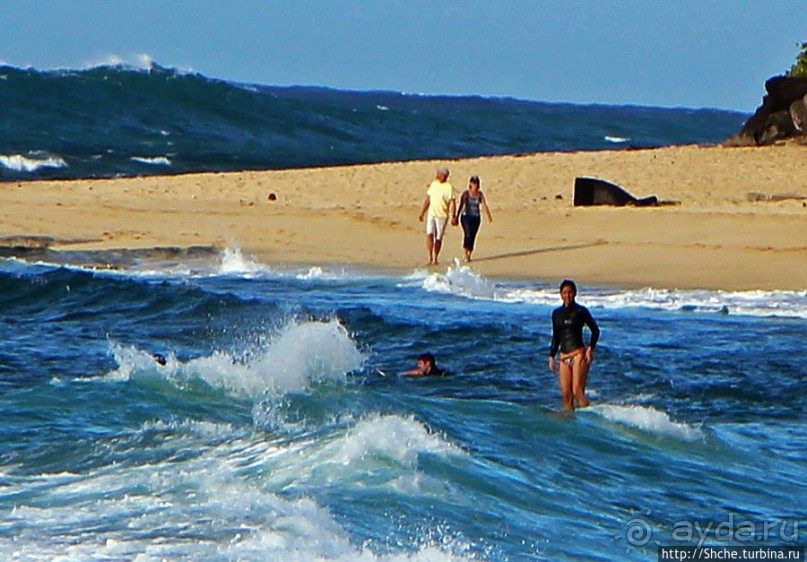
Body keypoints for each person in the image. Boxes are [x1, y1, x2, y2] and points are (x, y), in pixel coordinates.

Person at [548, 279, 600, 411]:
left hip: (579, 354)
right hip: (564, 357)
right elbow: (556, 336)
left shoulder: (581, 311)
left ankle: (592, 417)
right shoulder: (556, 314)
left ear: (575, 293)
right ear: (560, 294)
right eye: (565, 293)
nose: (568, 295)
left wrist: (590, 349)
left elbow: (595, 330)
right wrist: (551, 356)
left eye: (570, 292)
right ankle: (570, 424)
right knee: (566, 395)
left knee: (577, 391)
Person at [418, 167, 457, 265]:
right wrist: (422, 212)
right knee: (429, 234)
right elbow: (428, 199)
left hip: (442, 216)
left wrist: (453, 216)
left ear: (444, 176)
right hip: (432, 214)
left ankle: (436, 257)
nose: (437, 175)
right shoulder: (434, 184)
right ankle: (430, 257)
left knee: (438, 238)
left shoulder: (449, 187)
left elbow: (453, 202)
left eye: (439, 174)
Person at [454, 175, 493, 262]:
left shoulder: (480, 194)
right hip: (466, 216)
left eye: (477, 183)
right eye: (474, 183)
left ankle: (469, 254)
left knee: (473, 236)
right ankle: (465, 253)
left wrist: (489, 215)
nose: (475, 185)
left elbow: (484, 204)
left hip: (476, 217)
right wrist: (456, 217)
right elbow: (460, 206)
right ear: (470, 184)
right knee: (468, 234)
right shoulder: (466, 194)